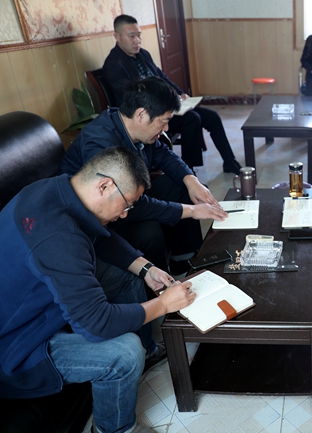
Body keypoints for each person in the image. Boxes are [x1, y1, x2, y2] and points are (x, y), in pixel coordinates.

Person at [0, 147, 197, 433]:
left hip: (34, 307)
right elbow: (96, 324)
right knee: (124, 354)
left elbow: (98, 236)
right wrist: (164, 305)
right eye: (127, 204)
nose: (125, 214)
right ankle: (114, 429)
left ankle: (148, 352)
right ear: (104, 186)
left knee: (127, 275)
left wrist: (146, 268)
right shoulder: (57, 237)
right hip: (15, 348)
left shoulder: (51, 190)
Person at [59, 76, 228, 276]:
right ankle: (161, 285)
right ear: (141, 114)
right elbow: (124, 202)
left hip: (127, 197)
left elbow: (163, 154)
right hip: (100, 214)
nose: (166, 129)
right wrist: (191, 211)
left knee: (181, 185)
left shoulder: (134, 128)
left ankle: (185, 261)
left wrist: (191, 180)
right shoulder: (100, 143)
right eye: (164, 121)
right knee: (149, 231)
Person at [104, 14, 242, 174]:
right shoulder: (114, 64)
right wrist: (163, 104)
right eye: (131, 36)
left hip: (164, 107)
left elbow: (161, 77)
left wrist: (179, 93)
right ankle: (187, 171)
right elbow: (130, 99)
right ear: (117, 37)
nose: (137, 40)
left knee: (212, 117)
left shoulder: (143, 54)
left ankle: (229, 161)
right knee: (192, 119)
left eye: (139, 35)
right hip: (148, 115)